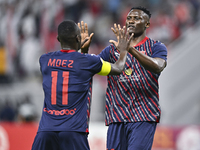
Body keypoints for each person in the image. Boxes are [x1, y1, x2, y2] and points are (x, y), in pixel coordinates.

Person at [31, 20, 133, 150]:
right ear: (78, 38)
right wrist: (123, 50)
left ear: (58, 38)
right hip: (73, 131)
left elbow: (70, 65)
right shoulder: (89, 62)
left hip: (46, 131)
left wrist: (82, 52)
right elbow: (118, 68)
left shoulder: (44, 60)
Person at [81, 6, 168, 150]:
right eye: (129, 18)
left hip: (143, 115)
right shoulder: (111, 50)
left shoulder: (156, 47)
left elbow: (158, 66)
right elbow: (88, 69)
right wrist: (84, 51)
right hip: (116, 117)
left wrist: (130, 50)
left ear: (147, 24)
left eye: (137, 18)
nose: (131, 21)